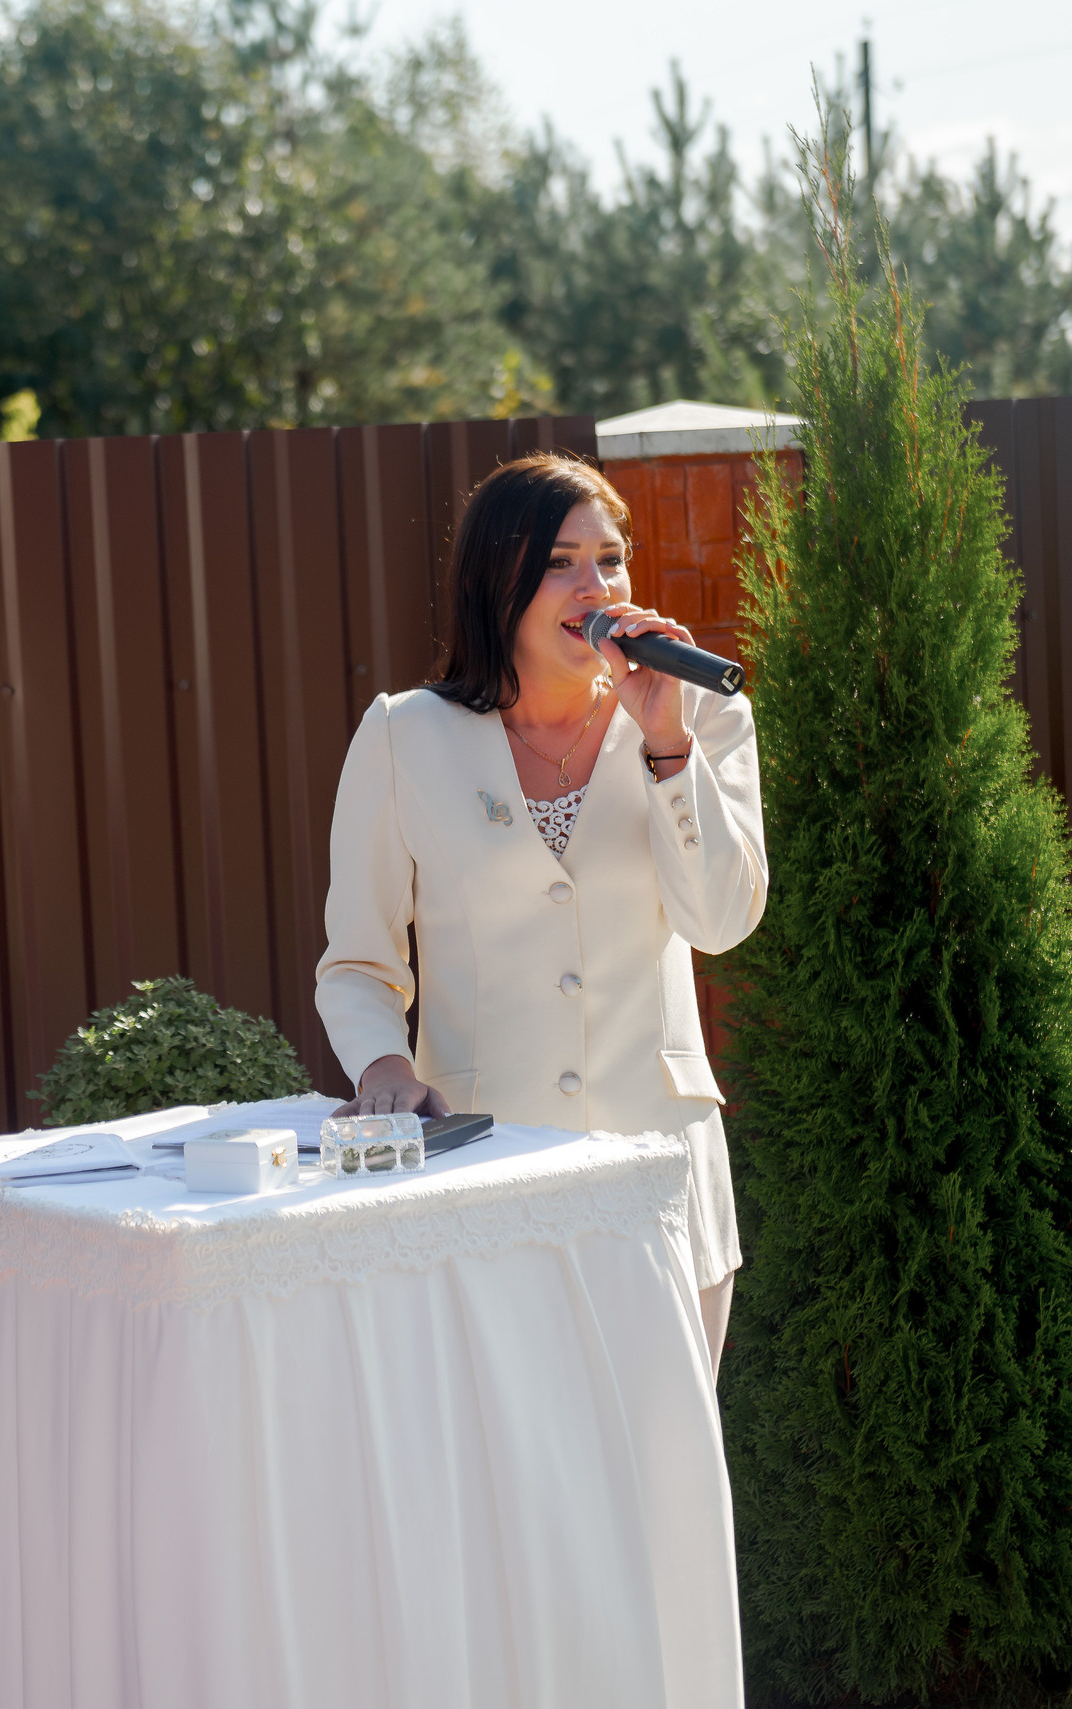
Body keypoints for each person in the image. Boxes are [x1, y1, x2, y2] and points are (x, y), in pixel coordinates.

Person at [316, 451, 766, 1371]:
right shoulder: (405, 737)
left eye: (611, 557)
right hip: (486, 1187)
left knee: (659, 1490)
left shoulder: (703, 720)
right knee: (504, 1494)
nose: (595, 584)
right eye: (561, 560)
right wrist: (385, 1066)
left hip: (663, 1183)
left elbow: (720, 919)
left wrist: (668, 745)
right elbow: (357, 964)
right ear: (499, 582)